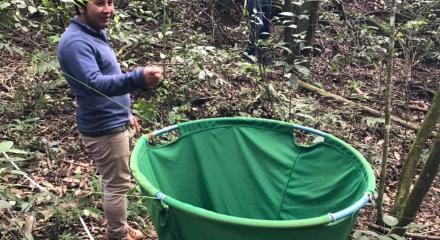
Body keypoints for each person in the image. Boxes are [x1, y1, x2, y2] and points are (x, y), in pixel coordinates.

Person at [57, 0, 163, 239]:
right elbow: (94, 84)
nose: (108, 9)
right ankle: (117, 235)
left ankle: (119, 228)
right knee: (117, 184)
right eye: (99, 3)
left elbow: (108, 75)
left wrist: (124, 111)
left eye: (111, 2)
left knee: (113, 180)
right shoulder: (76, 42)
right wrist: (139, 77)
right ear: (81, 6)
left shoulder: (93, 32)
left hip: (112, 119)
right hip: (103, 127)